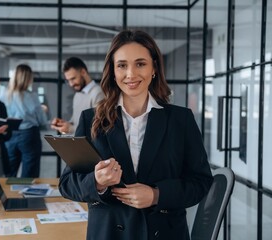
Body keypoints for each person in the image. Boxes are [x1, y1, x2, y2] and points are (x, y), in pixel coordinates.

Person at [58, 30, 213, 240]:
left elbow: (201, 182)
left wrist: (157, 195)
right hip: (109, 233)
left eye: (140, 64)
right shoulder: (91, 119)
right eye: (122, 65)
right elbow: (68, 183)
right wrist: (97, 182)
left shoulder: (181, 120)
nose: (130, 74)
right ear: (113, 71)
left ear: (154, 68)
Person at [0, 64, 48, 178]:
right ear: (28, 78)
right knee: (29, 175)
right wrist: (43, 110)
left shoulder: (4, 94)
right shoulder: (32, 96)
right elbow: (42, 121)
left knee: (9, 174)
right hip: (29, 135)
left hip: (9, 135)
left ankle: (9, 196)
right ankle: (27, 196)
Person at [50, 57, 104, 134]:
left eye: (73, 79)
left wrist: (71, 129)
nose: (71, 84)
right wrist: (63, 124)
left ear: (83, 72)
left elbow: (99, 128)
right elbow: (76, 122)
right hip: (78, 143)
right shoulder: (77, 95)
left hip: (90, 145)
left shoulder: (98, 93)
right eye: (68, 81)